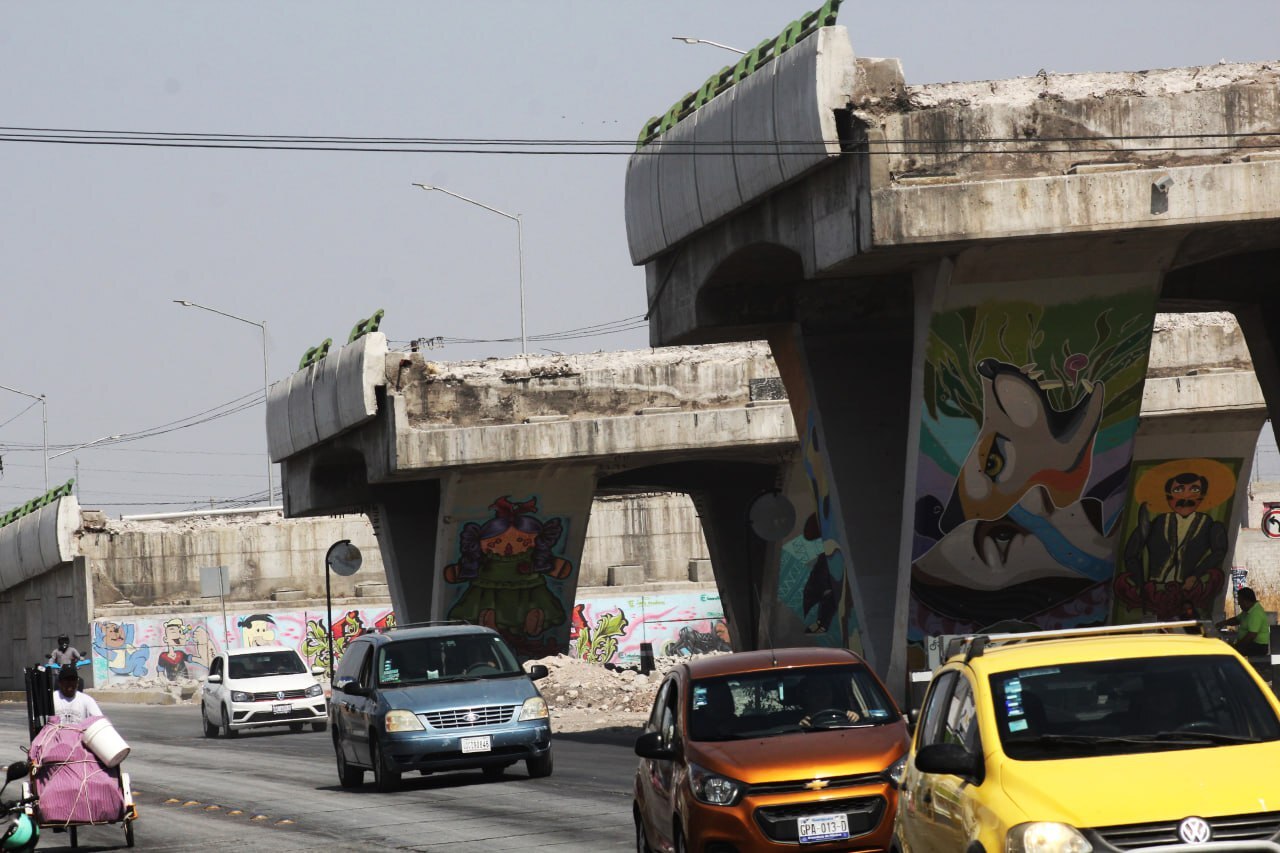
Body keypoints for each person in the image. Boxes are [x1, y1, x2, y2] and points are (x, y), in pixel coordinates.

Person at [1217, 587, 1271, 658]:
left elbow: (1251, 636)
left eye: (1240, 601)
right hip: (1250, 644)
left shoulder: (1256, 613)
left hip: (1258, 647)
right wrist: (1223, 623)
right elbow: (1237, 620)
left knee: (1227, 654)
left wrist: (1236, 647)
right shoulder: (1247, 610)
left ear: (1246, 601)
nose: (1239, 604)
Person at [795, 676, 860, 728]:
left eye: (824, 689)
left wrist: (854, 717)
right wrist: (800, 728)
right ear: (806, 696)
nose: (821, 695)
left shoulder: (844, 714)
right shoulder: (796, 719)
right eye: (816, 691)